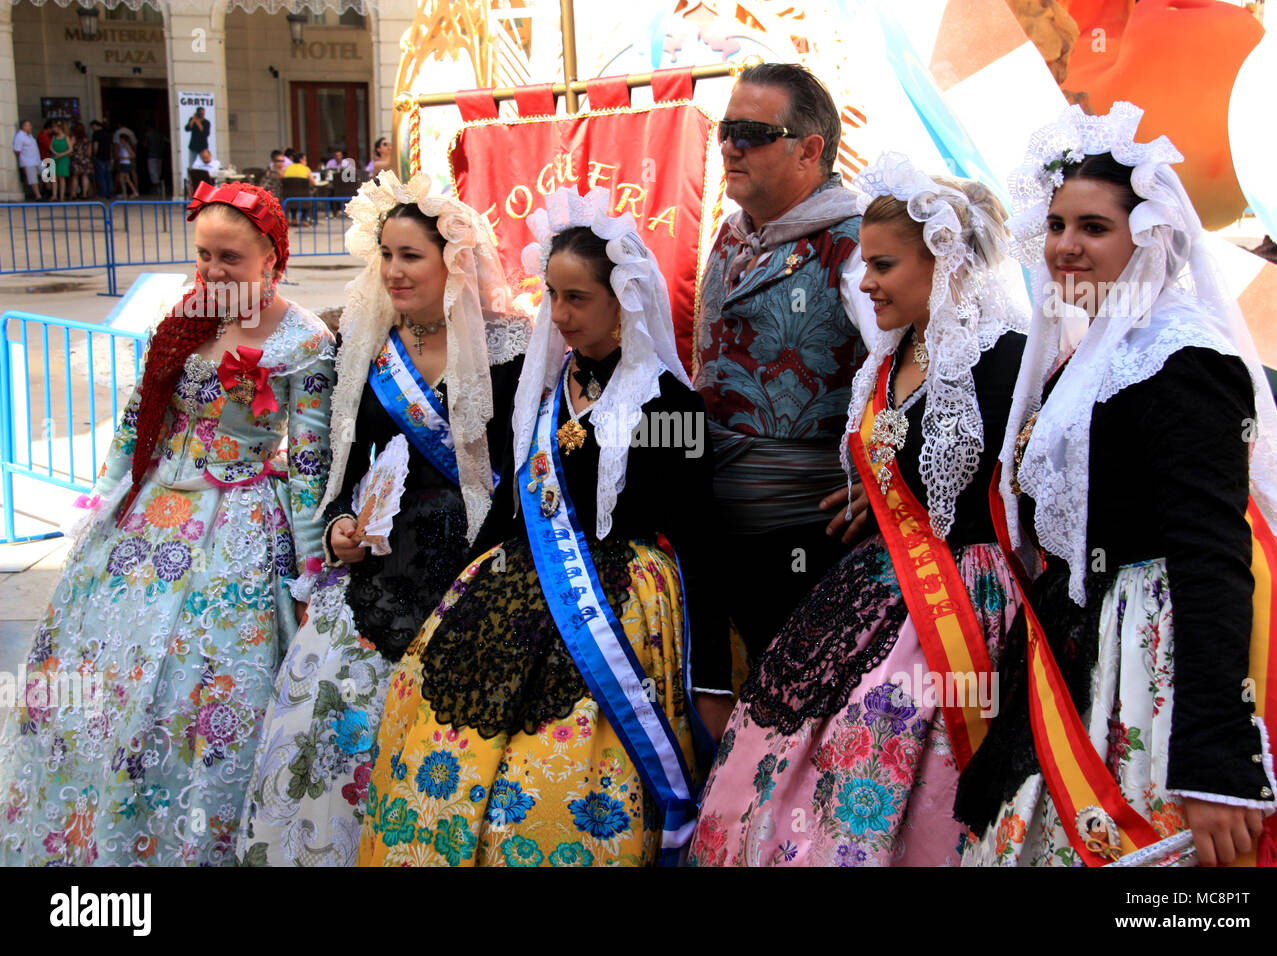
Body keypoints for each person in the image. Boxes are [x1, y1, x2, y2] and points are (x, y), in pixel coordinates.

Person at [954, 102, 1277, 867]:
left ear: (1150, 238)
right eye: (1055, 226)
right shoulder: (1096, 353)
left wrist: (1216, 757)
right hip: (1098, 651)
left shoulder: (1180, 359)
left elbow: (1211, 550)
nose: (1065, 248)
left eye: (1093, 228)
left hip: (1165, 655)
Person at [360, 186, 729, 867]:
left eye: (577, 299)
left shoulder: (670, 407)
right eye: (550, 295)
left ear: (625, 300)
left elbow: (701, 545)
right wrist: (452, 602)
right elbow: (508, 509)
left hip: (620, 613)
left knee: (563, 784)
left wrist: (712, 684)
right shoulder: (540, 394)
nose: (557, 315)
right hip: (512, 596)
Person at [689, 154, 1029, 867]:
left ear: (945, 263)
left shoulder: (1012, 364)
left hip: (969, 604)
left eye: (882, 266)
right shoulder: (885, 359)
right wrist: (876, 495)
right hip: (876, 587)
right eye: (864, 266)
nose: (865, 282)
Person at [0, 181, 336, 866]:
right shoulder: (187, 316)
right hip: (150, 517)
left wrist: (309, 571)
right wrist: (102, 503)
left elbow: (308, 463)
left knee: (206, 688)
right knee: (107, 676)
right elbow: (138, 421)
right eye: (204, 255)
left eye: (231, 257)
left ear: (272, 256)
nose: (213, 271)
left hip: (240, 528)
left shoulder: (305, 340)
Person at [236, 172, 531, 866]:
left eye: (411, 256)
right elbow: (346, 466)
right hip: (377, 567)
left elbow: (521, 476)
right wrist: (340, 522)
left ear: (453, 262)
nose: (394, 271)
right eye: (386, 255)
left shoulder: (512, 353)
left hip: (475, 565)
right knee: (327, 729)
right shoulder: (366, 348)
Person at [693, 63, 874, 674]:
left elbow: (919, 367)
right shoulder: (729, 239)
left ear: (810, 150)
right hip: (717, 539)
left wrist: (888, 482)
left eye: (751, 131)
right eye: (725, 128)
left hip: (811, 545)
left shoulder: (857, 243)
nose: (728, 145)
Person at [12, 119, 41, 201]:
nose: (30, 127)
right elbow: (17, 150)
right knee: (33, 179)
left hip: (36, 160)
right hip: (28, 161)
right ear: (23, 127)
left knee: (46, 173)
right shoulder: (20, 136)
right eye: (28, 125)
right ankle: (38, 196)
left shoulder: (29, 135)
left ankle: (48, 192)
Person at [91, 120, 113, 200]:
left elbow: (95, 146)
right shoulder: (107, 134)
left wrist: (94, 155)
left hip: (99, 157)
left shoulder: (96, 134)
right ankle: (110, 193)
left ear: (95, 125)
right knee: (108, 175)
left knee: (101, 176)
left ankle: (103, 194)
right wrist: (111, 157)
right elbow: (111, 147)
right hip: (107, 157)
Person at [70, 122, 93, 200]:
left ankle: (73, 194)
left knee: (75, 177)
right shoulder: (86, 139)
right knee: (85, 176)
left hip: (76, 159)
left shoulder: (73, 138)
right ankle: (84, 194)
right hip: (85, 159)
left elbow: (70, 148)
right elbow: (90, 152)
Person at [49, 121, 70, 202]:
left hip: (63, 158)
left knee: (61, 178)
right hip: (54, 158)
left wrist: (61, 154)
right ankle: (54, 195)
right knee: (53, 178)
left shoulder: (66, 138)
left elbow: (70, 149)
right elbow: (50, 147)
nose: (53, 129)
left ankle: (61, 196)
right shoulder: (53, 138)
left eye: (55, 128)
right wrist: (55, 153)